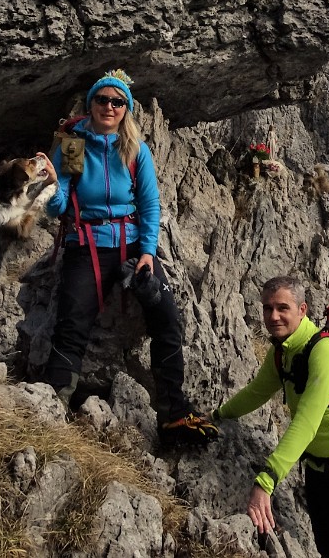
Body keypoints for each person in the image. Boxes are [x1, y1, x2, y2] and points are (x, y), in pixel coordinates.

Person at [40, 69, 218, 446]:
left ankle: (173, 415)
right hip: (86, 243)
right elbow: (58, 208)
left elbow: (150, 205)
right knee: (71, 324)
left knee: (167, 320)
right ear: (90, 104)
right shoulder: (73, 144)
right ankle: (50, 408)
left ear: (126, 109)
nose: (109, 106)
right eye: (102, 100)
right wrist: (51, 183)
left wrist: (148, 254)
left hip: (133, 247)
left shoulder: (136, 149)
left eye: (117, 101)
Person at [213, 275, 329, 558]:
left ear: (302, 310)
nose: (274, 316)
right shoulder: (282, 352)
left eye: (283, 308)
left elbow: (306, 422)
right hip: (319, 472)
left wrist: (266, 480)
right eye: (268, 308)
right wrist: (217, 415)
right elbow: (257, 393)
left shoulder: (325, 352)